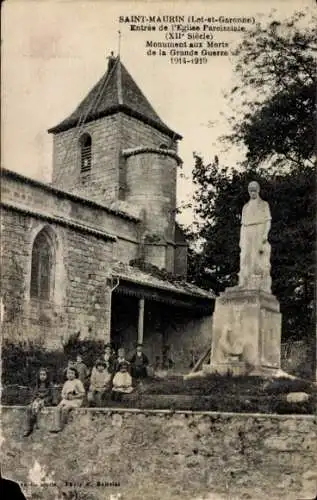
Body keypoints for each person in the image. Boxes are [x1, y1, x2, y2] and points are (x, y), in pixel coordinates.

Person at [238, 181, 272, 292]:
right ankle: (243, 281)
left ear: (258, 190)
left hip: (259, 229)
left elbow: (268, 221)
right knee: (244, 256)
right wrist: (241, 239)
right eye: (250, 190)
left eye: (254, 190)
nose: (252, 192)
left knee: (256, 257)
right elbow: (243, 225)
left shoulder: (264, 204)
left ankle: (258, 283)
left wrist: (265, 234)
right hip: (247, 231)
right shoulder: (245, 207)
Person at [50, 366, 85, 433]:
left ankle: (62, 425)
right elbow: (62, 393)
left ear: (75, 374)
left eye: (72, 373)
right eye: (68, 373)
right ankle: (56, 425)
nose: (70, 375)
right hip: (66, 400)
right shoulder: (66, 383)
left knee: (65, 409)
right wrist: (65, 396)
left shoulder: (78, 382)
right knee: (57, 408)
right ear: (66, 375)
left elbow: (83, 393)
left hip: (75, 400)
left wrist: (75, 397)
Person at [23, 367, 53, 437]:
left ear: (47, 376)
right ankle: (28, 428)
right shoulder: (38, 384)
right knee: (29, 408)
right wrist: (33, 400)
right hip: (37, 400)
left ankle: (34, 424)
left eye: (44, 375)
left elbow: (51, 396)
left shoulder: (50, 384)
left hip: (45, 401)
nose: (42, 376)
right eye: (41, 375)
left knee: (37, 406)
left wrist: (44, 400)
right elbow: (35, 394)